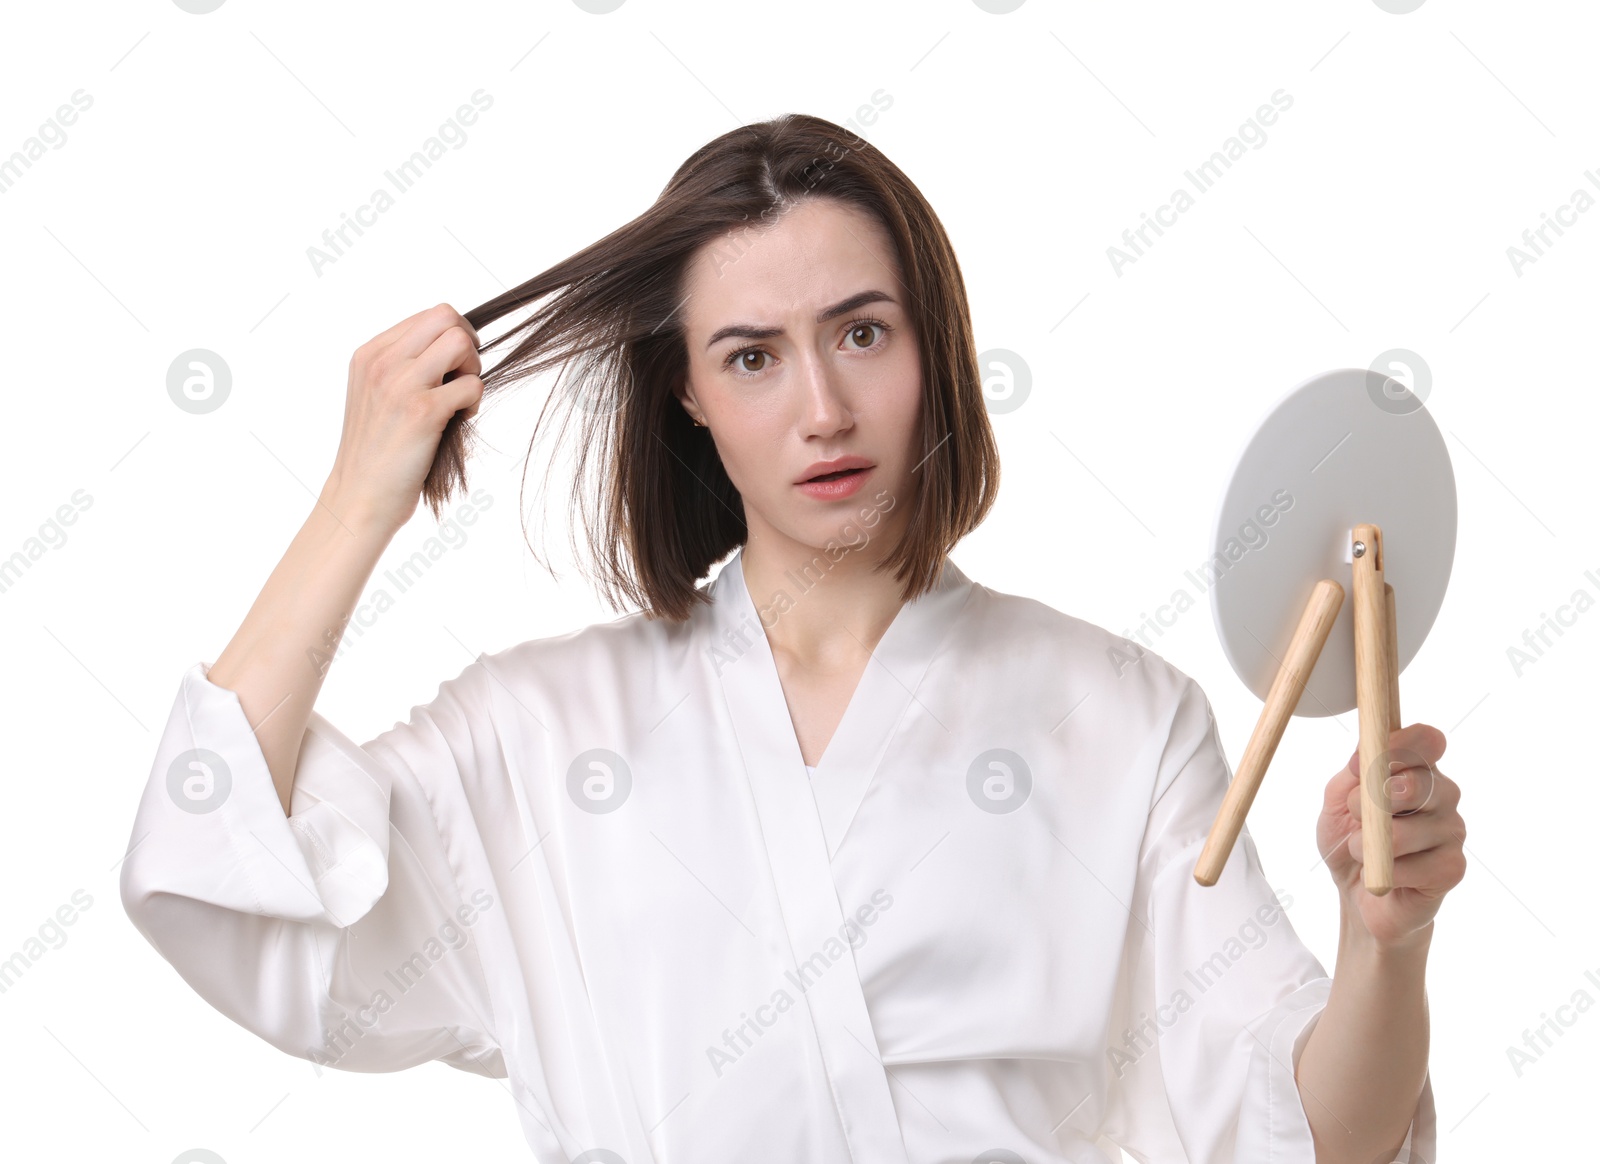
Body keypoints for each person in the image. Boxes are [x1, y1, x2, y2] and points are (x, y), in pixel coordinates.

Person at [120, 113, 1461, 1163]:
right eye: (754, 356)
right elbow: (215, 871)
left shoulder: (1115, 713)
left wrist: (1382, 941)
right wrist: (360, 498)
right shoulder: (534, 736)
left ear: (931, 346)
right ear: (689, 394)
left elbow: (1319, 1140)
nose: (824, 407)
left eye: (861, 334)